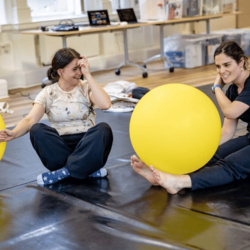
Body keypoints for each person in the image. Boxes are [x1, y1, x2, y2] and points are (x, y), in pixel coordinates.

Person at [131, 41, 250, 194]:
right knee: (212, 155)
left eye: (227, 65)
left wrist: (217, 87)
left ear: (241, 62)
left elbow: (231, 112)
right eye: (218, 66)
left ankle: (179, 182)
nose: (222, 71)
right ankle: (166, 176)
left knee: (231, 164)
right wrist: (202, 150)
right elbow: (227, 131)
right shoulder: (234, 90)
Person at [0, 48, 113, 185]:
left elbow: (105, 104)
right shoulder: (48, 93)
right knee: (37, 129)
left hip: (87, 144)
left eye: (81, 68)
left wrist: (88, 74)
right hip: (60, 149)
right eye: (75, 69)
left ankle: (65, 172)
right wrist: (13, 133)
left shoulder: (86, 87)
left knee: (103, 129)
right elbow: (30, 119)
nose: (79, 73)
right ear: (60, 71)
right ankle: (86, 169)